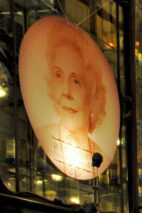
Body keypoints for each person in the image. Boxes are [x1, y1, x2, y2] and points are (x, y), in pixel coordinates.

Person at [36, 22, 107, 180]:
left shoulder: (101, 155)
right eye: (59, 75)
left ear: (93, 93)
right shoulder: (41, 138)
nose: (66, 92)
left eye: (76, 81)